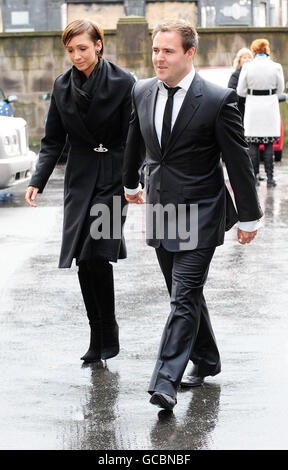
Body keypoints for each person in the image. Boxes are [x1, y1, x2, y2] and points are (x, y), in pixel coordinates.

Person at [123, 20, 263, 411]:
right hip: (161, 208)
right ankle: (207, 357)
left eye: (167, 51)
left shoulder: (219, 100)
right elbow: (135, 142)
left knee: (183, 295)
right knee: (183, 294)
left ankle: (165, 381)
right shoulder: (142, 91)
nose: (158, 58)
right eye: (155, 50)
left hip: (202, 211)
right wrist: (130, 184)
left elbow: (238, 162)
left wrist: (250, 217)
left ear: (189, 53)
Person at [25, 19, 135, 363]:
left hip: (114, 177)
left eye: (82, 48)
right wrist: (36, 180)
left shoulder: (124, 82)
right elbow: (53, 140)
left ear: (99, 45)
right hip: (80, 177)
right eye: (70, 50)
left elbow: (136, 136)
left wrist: (137, 177)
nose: (76, 56)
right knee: (83, 261)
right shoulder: (61, 86)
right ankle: (97, 335)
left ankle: (109, 331)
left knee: (97, 253)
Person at [237, 38, 284, 187]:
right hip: (270, 106)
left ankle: (255, 177)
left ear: (254, 50)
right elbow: (280, 89)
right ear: (267, 49)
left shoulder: (247, 68)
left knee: (253, 144)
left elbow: (240, 91)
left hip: (253, 107)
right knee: (269, 144)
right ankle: (270, 178)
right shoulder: (276, 67)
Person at [228, 48, 253, 119]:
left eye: (249, 57)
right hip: (240, 111)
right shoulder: (235, 75)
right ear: (239, 61)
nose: (247, 59)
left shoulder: (256, 74)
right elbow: (231, 92)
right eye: (244, 58)